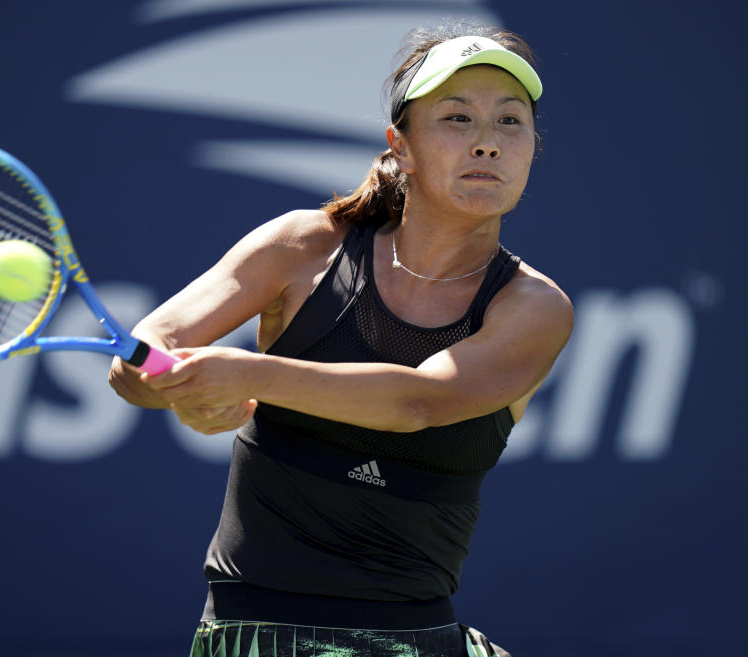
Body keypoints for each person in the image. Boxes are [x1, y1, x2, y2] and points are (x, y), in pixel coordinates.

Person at [110, 25, 573, 657]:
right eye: (457, 118)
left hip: (420, 639)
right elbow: (148, 345)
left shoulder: (535, 307)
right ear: (400, 147)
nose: (487, 144)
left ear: (530, 149)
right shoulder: (302, 247)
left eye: (510, 122)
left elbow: (420, 403)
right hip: (256, 635)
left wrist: (249, 376)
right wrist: (166, 384)